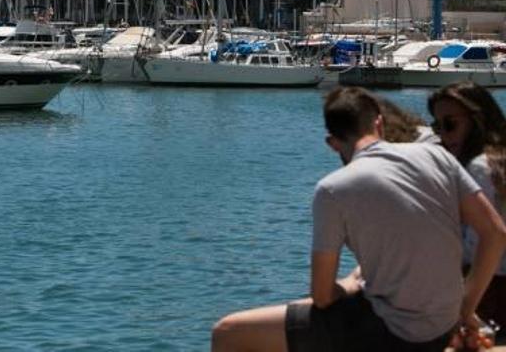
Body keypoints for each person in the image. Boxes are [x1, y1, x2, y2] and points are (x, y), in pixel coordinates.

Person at [211, 86, 506, 352]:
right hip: (442, 328)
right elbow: (495, 233)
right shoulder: (437, 157)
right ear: (379, 122)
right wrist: (465, 309)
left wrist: (350, 285)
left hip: (394, 335)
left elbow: (323, 296)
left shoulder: (332, 189)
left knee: (229, 332)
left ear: (332, 143)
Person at [429, 82, 506, 332]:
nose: (443, 135)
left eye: (450, 124)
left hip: (490, 294)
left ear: (477, 121)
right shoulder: (497, 163)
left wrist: (464, 310)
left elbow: (479, 248)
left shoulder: (479, 168)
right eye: (437, 126)